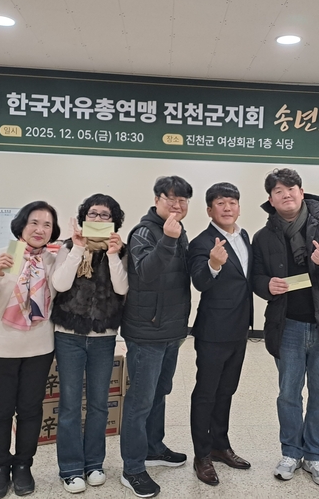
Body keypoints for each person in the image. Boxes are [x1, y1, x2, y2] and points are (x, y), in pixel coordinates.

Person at [252, 168, 319, 487]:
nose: (286, 194)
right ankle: (290, 452)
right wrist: (266, 285)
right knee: (288, 394)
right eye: (279, 191)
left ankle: (315, 456)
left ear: (301, 191)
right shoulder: (263, 236)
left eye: (291, 188)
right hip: (287, 326)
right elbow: (255, 276)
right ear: (271, 199)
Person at [0, 201, 61, 499]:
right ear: (21, 225)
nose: (40, 229)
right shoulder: (3, 256)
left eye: (47, 225)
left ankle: (23, 465)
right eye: (34, 222)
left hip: (39, 348)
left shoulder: (52, 261)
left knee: (31, 410)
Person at [119, 176, 193, 498]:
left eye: (183, 200)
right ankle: (132, 468)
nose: (177, 205)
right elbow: (146, 273)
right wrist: (168, 240)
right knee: (140, 401)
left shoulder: (178, 230)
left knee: (160, 392)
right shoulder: (144, 232)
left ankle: (153, 447)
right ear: (157, 200)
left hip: (172, 329)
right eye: (170, 199)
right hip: (146, 331)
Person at [50, 194, 128, 494]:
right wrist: (78, 249)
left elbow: (122, 289)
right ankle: (70, 468)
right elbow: (60, 284)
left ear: (114, 222)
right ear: (84, 218)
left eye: (105, 215)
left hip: (103, 336)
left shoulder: (120, 250)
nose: (98, 219)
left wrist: (113, 255)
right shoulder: (69, 246)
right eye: (93, 214)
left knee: (98, 404)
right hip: (68, 334)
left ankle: (94, 463)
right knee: (70, 404)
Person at [187, 183, 253, 486]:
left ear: (239, 207)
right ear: (209, 210)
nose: (227, 208)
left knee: (227, 391)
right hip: (213, 331)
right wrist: (213, 264)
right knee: (206, 394)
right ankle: (202, 455)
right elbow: (200, 282)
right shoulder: (201, 242)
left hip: (239, 329)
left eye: (232, 202)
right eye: (220, 203)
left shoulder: (244, 236)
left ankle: (219, 445)